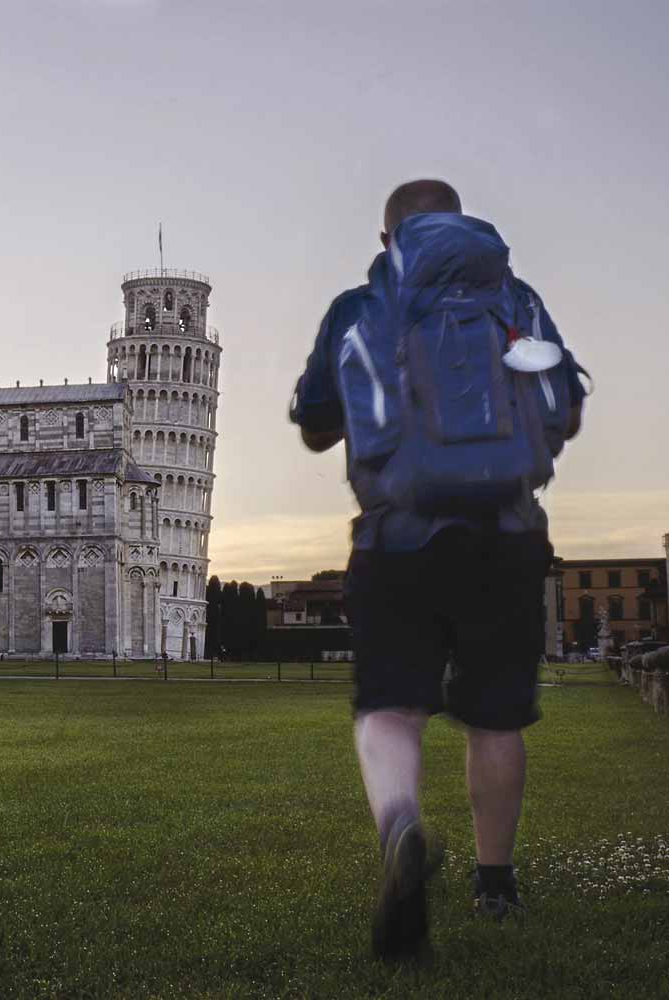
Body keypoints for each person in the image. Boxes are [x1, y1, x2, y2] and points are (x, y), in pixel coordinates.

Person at [290, 180, 586, 960]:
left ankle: (401, 826)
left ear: (387, 236)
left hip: (396, 538)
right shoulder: (517, 297)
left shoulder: (359, 308)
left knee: (391, 706)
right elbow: (566, 404)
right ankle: (495, 883)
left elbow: (316, 423)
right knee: (495, 719)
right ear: (460, 221)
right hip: (507, 534)